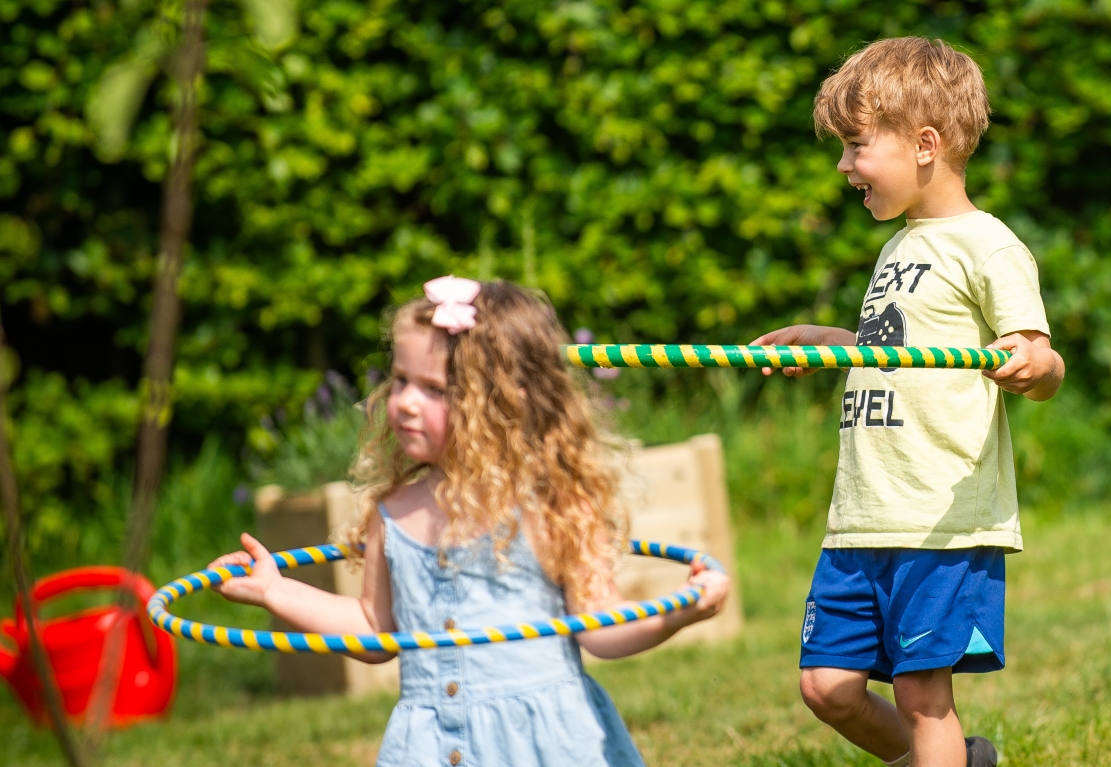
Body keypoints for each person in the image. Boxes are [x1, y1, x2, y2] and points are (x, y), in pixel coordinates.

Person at [209, 277, 731, 767]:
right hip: (430, 745)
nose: (406, 403)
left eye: (434, 390)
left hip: (545, 742)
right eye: (401, 381)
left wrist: (677, 613)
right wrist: (276, 592)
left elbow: (600, 628)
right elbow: (374, 629)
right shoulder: (392, 510)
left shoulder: (552, 503)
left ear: (500, 402)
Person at [751, 38, 1064, 767]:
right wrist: (829, 340)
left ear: (924, 145)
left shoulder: (987, 246)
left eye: (856, 146)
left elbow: (1040, 358)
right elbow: (894, 343)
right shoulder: (899, 245)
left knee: (924, 695)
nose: (842, 167)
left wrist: (1032, 364)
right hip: (860, 512)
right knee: (825, 684)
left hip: (938, 519)